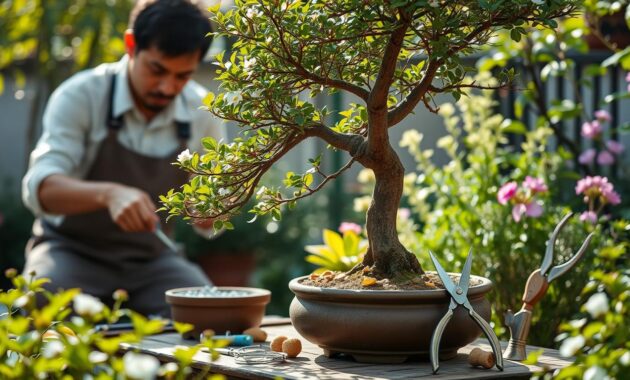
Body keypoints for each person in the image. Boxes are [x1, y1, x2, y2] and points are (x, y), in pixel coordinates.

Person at [21, 0, 224, 317]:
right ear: (131, 45)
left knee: (207, 313)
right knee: (43, 301)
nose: (167, 87)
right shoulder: (81, 96)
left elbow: (210, 219)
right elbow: (41, 189)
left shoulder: (203, 111)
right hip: (71, 253)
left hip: (153, 261)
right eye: (157, 70)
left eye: (182, 76)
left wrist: (214, 210)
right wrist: (108, 194)